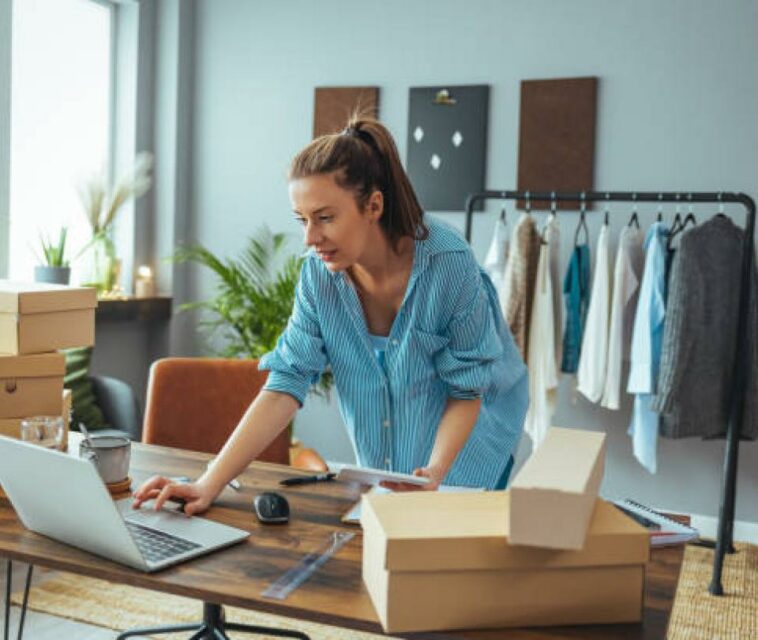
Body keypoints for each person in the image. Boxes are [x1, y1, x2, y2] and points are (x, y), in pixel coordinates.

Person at [133, 116, 529, 516]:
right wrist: (207, 483)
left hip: (469, 451)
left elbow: (466, 390)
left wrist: (436, 473)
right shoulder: (319, 277)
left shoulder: (448, 263)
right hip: (393, 470)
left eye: (325, 218)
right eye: (301, 220)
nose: (310, 237)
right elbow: (286, 382)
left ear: (373, 205)